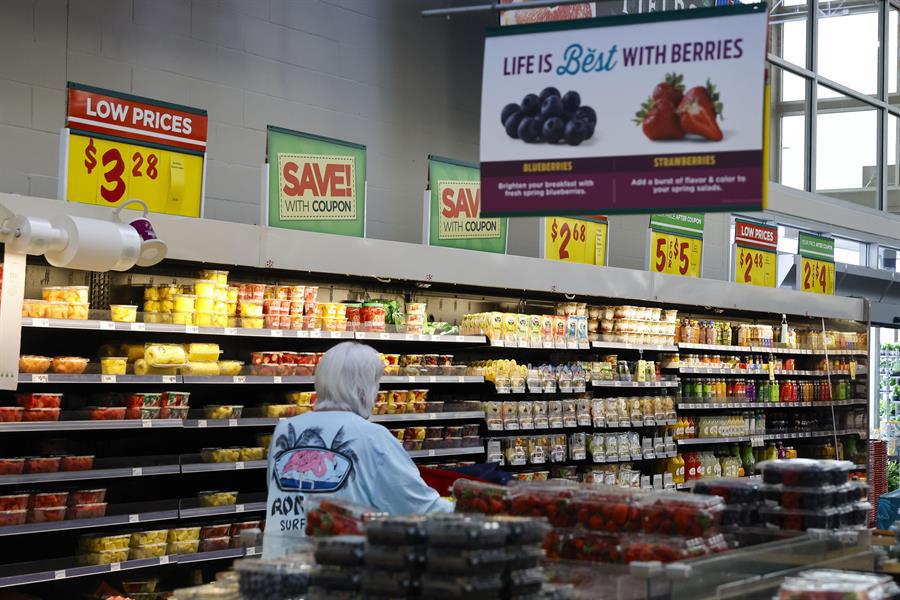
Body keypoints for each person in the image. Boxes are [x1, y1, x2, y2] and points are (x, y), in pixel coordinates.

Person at [262, 341, 452, 558]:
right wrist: (481, 516)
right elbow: (420, 509)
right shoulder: (372, 436)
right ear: (363, 387)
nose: (378, 393)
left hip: (277, 570)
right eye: (376, 383)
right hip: (339, 574)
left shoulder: (285, 430)